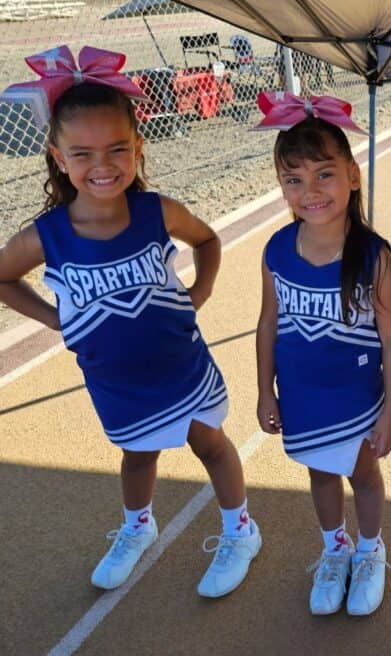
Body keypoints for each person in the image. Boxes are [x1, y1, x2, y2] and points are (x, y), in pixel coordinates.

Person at [0, 45, 260, 597]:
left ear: (138, 148)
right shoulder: (45, 236)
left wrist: (202, 288)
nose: (102, 165)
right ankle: (139, 525)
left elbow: (207, 239)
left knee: (209, 443)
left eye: (118, 148)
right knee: (137, 453)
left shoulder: (155, 211)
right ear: (57, 156)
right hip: (115, 378)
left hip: (180, 364)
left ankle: (240, 527)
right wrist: (58, 321)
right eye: (83, 152)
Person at [253, 91, 391, 617]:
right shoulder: (276, 249)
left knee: (362, 475)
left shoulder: (373, 255)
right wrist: (264, 391)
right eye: (293, 179)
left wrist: (390, 411)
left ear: (353, 176)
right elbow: (269, 321)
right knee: (319, 473)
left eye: (324, 174)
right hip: (302, 397)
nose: (310, 190)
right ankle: (335, 548)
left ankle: (370, 549)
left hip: (357, 400)